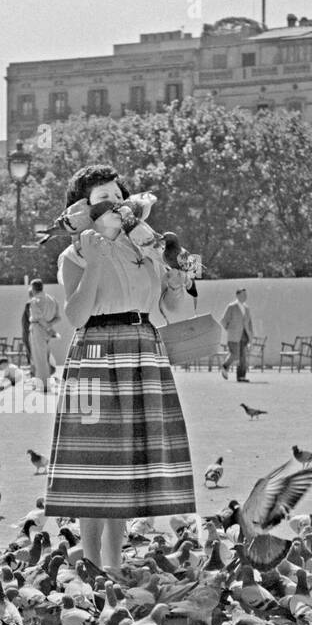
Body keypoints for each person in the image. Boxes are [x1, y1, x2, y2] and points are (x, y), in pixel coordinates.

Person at [45, 163, 196, 572]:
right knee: (94, 466)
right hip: (95, 352)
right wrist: (94, 259)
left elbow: (170, 309)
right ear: (84, 208)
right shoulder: (73, 254)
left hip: (142, 350)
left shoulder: (146, 247)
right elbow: (76, 315)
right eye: (101, 198)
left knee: (126, 466)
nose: (113, 204)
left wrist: (178, 280)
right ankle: (90, 564)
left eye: (117, 194)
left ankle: (112, 565)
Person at [27, 278, 61, 387]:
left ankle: (43, 384)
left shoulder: (34, 300)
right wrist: (50, 327)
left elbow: (39, 318)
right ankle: (43, 382)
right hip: (46, 331)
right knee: (44, 356)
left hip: (38, 328)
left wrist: (48, 328)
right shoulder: (52, 299)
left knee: (39, 358)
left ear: (33, 288)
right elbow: (58, 318)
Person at [219, 287, 255, 382]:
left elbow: (249, 323)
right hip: (233, 336)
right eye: (243, 294)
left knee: (243, 357)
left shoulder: (246, 308)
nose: (245, 297)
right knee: (235, 354)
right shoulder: (231, 307)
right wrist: (230, 329)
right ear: (237, 295)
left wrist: (251, 336)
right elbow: (223, 320)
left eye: (246, 295)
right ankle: (225, 366)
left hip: (244, 336)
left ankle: (241, 376)